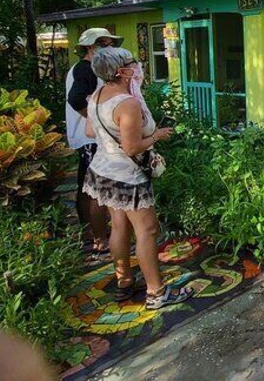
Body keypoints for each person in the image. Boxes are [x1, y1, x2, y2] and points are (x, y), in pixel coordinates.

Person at [84, 47, 192, 309]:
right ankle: (156, 292)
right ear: (122, 71)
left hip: (103, 170)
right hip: (127, 177)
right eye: (133, 63)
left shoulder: (97, 95)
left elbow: (89, 132)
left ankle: (124, 280)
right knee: (147, 229)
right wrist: (156, 136)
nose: (138, 67)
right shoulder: (127, 103)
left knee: (119, 226)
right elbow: (132, 147)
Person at [66, 28, 123, 261]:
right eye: (103, 43)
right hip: (90, 138)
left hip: (92, 137)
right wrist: (98, 121)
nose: (108, 47)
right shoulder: (84, 69)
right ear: (90, 46)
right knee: (94, 189)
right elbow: (76, 99)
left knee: (88, 185)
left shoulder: (92, 69)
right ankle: (98, 238)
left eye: (110, 44)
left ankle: (90, 232)